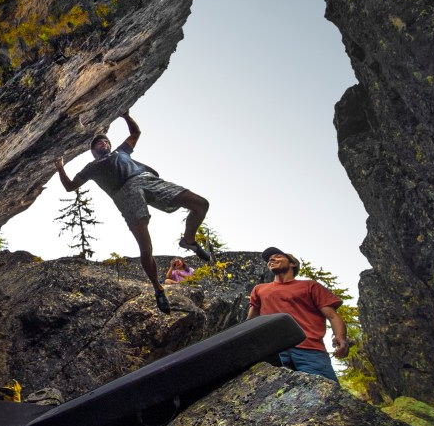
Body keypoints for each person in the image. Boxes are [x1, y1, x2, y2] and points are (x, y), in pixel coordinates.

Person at [54, 111, 211, 314]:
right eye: (99, 143)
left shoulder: (121, 152)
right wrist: (60, 168)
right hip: (124, 194)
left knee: (201, 204)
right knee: (145, 247)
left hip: (145, 179)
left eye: (105, 141)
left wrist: (126, 116)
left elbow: (135, 133)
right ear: (93, 151)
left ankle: (189, 241)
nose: (103, 143)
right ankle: (158, 289)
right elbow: (70, 186)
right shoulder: (91, 168)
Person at [246, 247, 349, 382]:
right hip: (273, 352)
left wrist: (340, 337)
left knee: (324, 390)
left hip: (310, 350)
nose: (271, 260)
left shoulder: (310, 286)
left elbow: (333, 316)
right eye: (269, 259)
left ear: (292, 263)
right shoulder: (259, 289)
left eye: (278, 256)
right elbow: (251, 321)